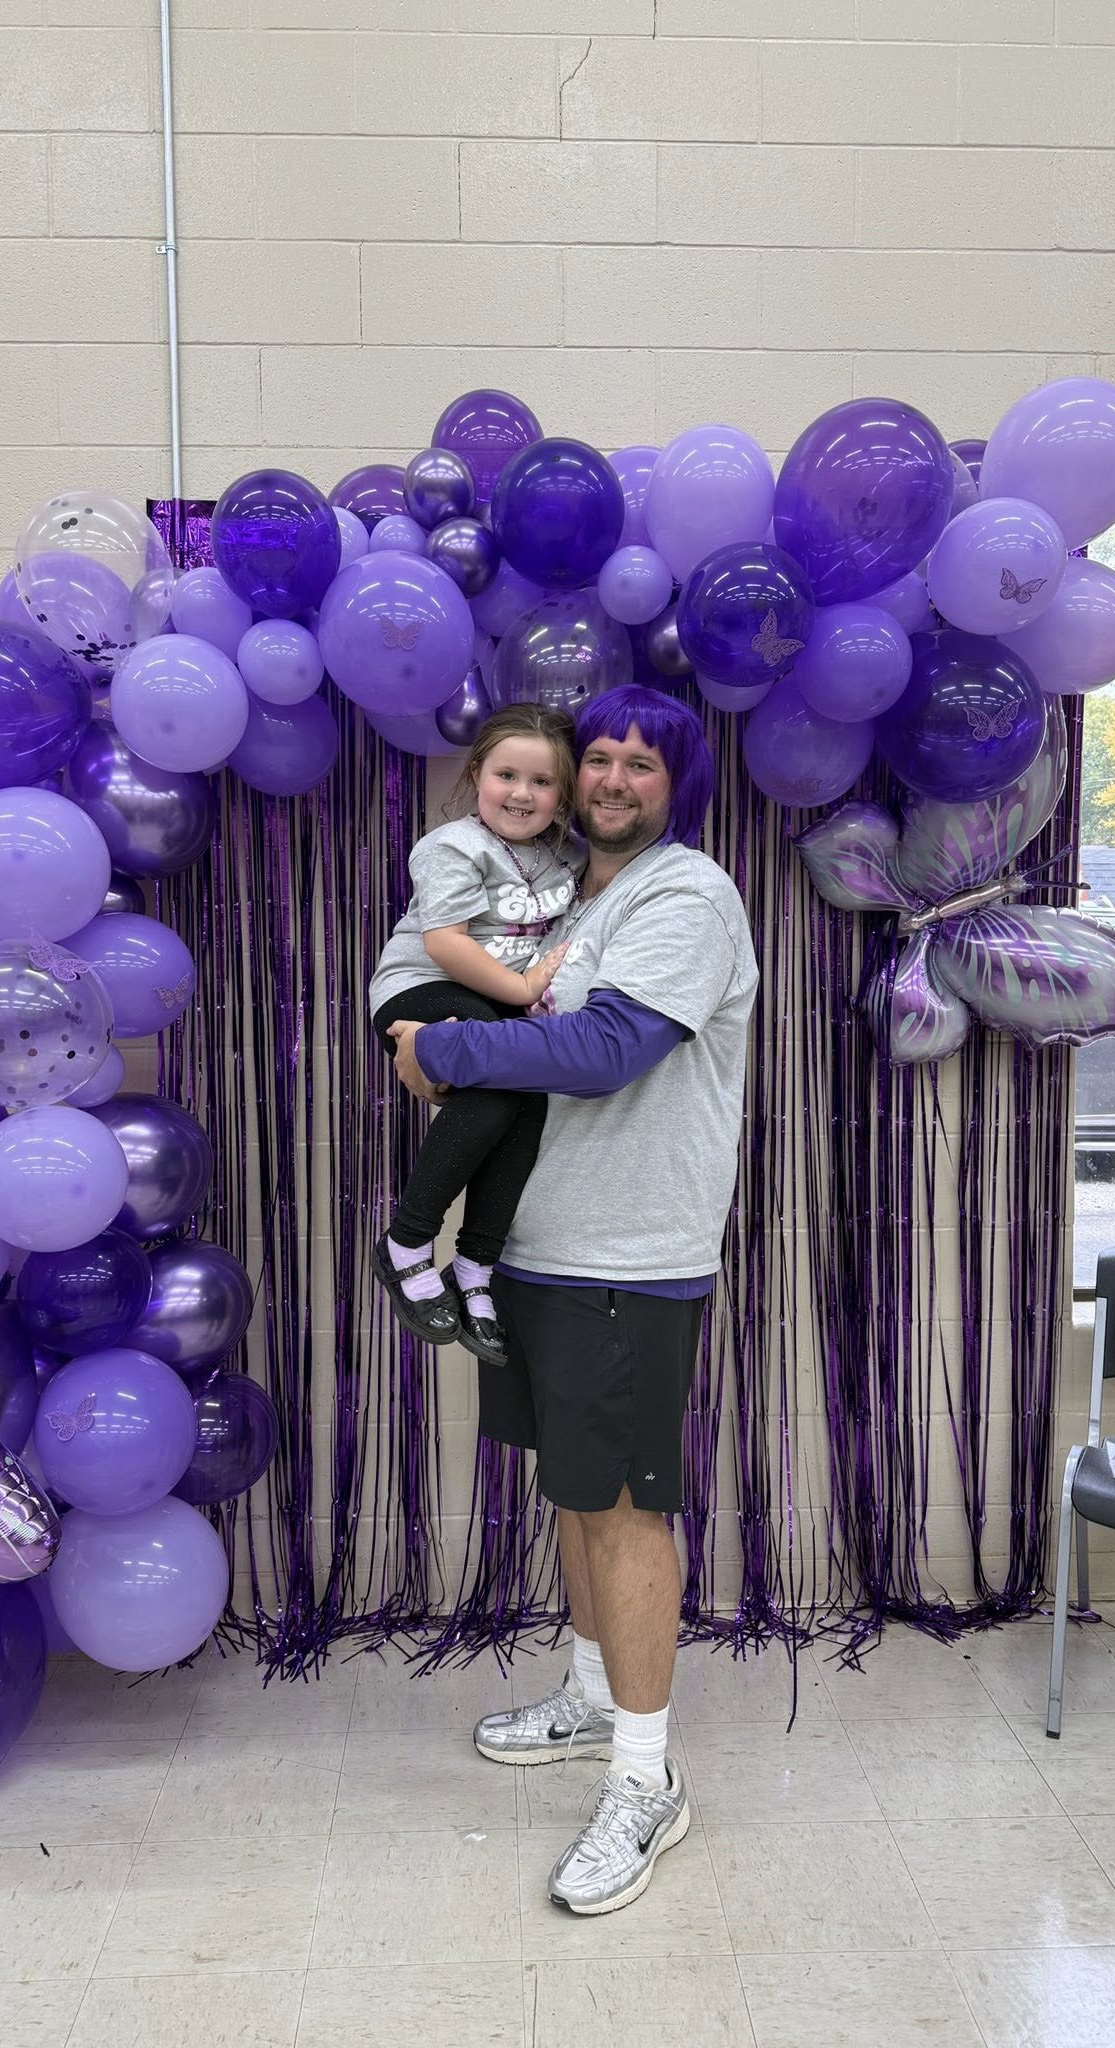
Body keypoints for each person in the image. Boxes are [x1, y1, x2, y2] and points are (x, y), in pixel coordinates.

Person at [388, 684, 758, 1916]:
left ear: (677, 782)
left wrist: (444, 1051)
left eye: (638, 764)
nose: (608, 779)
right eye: (595, 756)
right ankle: (594, 1693)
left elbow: (604, 1052)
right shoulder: (568, 892)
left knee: (624, 1507)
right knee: (571, 1488)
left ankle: (646, 1779)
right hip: (542, 1246)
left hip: (629, 1258)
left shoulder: (683, 895)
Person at [368, 701, 581, 1366]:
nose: (521, 793)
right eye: (506, 775)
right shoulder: (453, 848)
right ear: (477, 775)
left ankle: (475, 1266)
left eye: (542, 783)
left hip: (497, 1012)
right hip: (420, 989)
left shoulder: (565, 856)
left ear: (562, 793)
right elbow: (445, 944)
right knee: (496, 1061)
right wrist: (522, 990)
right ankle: (405, 1241)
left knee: (529, 1100)